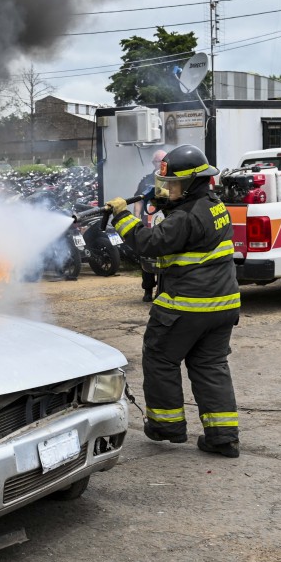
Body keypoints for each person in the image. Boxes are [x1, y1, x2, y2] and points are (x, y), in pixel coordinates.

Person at [106, 144, 241, 458]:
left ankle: (166, 427)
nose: (167, 189)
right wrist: (164, 201)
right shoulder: (212, 204)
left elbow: (149, 242)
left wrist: (122, 216)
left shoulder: (185, 216)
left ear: (192, 183)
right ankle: (223, 438)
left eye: (173, 185)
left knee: (160, 360)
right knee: (211, 366)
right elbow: (184, 225)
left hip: (186, 306)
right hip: (222, 306)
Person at [133, 150, 166, 302]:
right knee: (146, 255)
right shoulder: (146, 180)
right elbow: (139, 200)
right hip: (148, 224)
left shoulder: (171, 179)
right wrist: (137, 217)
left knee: (164, 257)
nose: (161, 163)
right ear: (153, 163)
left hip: (166, 225)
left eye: (163, 160)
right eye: (158, 161)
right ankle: (147, 290)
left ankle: (161, 289)